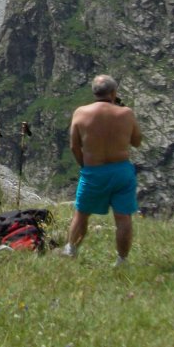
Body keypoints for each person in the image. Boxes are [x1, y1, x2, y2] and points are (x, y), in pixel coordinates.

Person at [63, 74, 143, 265]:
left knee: (82, 214)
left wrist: (84, 165)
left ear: (94, 92)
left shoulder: (81, 113)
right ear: (114, 92)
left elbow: (74, 146)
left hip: (93, 171)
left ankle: (71, 250)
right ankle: (121, 260)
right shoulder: (126, 114)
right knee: (123, 218)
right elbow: (137, 141)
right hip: (121, 170)